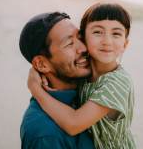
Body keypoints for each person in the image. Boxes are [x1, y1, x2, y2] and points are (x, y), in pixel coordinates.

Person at [28, 3, 136, 149]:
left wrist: (36, 89)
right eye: (97, 32)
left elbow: (73, 124)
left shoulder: (117, 83)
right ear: (85, 37)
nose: (107, 41)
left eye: (116, 34)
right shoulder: (87, 69)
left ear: (125, 44)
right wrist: (36, 69)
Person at [19, 12, 95, 149]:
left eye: (80, 37)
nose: (83, 48)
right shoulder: (45, 134)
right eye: (69, 44)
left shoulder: (91, 89)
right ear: (42, 64)